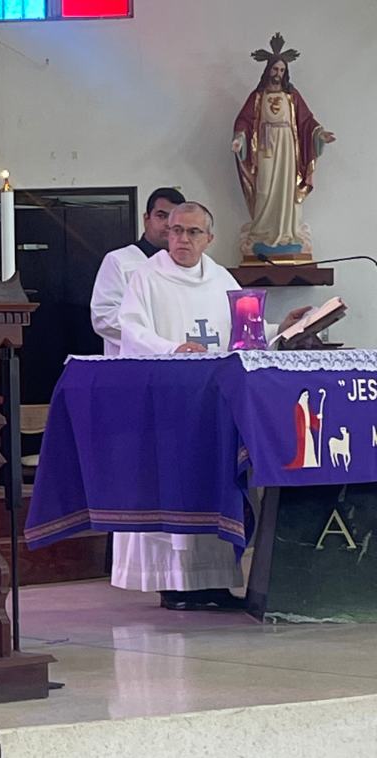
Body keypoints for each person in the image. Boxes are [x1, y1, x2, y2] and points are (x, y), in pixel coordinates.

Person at [115, 202, 308, 611]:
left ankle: (217, 582)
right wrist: (172, 348)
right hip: (167, 404)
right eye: (176, 231)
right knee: (175, 485)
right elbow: (130, 331)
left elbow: (243, 333)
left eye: (192, 232)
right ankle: (173, 584)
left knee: (214, 485)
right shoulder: (146, 278)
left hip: (212, 404)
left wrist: (281, 328)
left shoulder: (221, 278)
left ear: (209, 238)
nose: (181, 239)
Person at [232, 33, 335, 259]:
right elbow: (245, 120)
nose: (278, 74)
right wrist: (240, 138)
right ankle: (262, 233)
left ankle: (287, 233)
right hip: (266, 145)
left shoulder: (292, 95)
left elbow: (307, 120)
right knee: (265, 188)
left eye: (281, 70)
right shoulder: (258, 96)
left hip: (288, 145)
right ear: (268, 70)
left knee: (286, 190)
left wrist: (320, 134)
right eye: (275, 69)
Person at [90, 187, 185, 356]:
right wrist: (155, 340)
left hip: (177, 360)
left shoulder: (186, 266)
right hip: (132, 363)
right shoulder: (119, 261)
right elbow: (103, 317)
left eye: (174, 219)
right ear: (146, 219)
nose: (168, 224)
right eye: (161, 216)